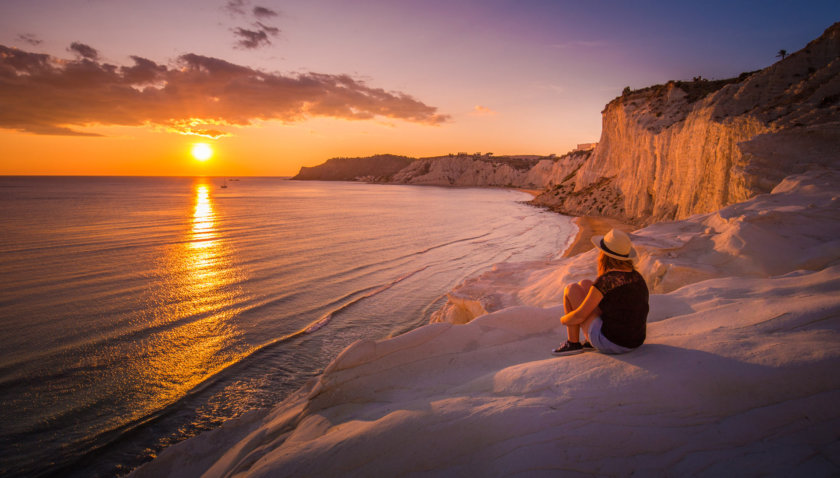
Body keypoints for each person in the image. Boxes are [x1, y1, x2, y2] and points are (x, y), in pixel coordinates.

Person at [552, 228, 649, 356]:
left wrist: (563, 320)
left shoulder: (606, 281)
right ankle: (587, 342)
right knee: (586, 283)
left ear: (604, 255)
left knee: (571, 289)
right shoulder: (636, 276)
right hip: (636, 341)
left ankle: (573, 343)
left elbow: (579, 316)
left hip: (612, 343)